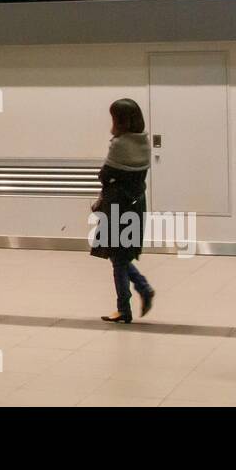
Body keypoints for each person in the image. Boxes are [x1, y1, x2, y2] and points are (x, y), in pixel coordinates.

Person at [89, 98, 154, 324]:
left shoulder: (119, 144)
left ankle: (124, 309)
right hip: (136, 203)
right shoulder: (144, 141)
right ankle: (143, 289)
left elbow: (105, 174)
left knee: (117, 257)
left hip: (116, 204)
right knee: (122, 255)